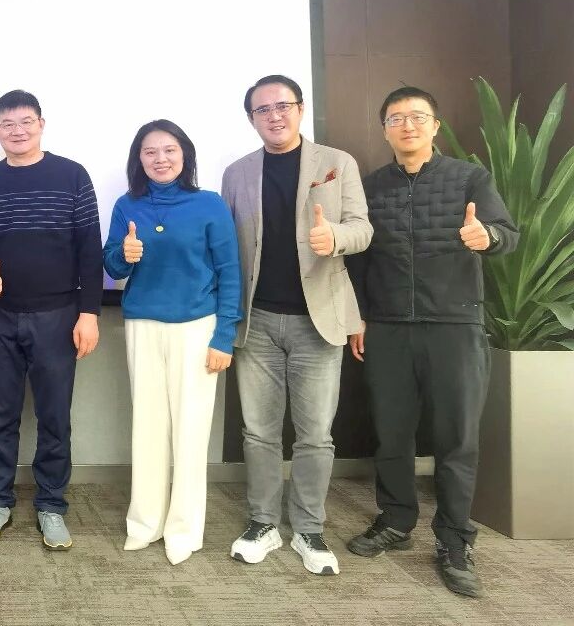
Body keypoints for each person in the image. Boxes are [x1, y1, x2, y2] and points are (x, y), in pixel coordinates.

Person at [345, 86, 518, 599]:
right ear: (384, 130)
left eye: (418, 117)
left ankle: (455, 540)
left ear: (435, 126)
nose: (408, 126)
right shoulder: (370, 186)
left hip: (455, 326)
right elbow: (360, 259)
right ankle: (396, 520)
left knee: (456, 438)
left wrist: (487, 237)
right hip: (388, 327)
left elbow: (506, 233)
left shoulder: (469, 178)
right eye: (396, 118)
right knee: (391, 434)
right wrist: (360, 318)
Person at [220, 74, 372, 576]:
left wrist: (337, 238)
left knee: (315, 436)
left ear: (300, 109)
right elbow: (226, 246)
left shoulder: (337, 163)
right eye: (262, 109)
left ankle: (308, 528)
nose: (274, 115)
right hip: (257, 321)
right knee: (259, 433)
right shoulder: (237, 173)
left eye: (282, 105)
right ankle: (263, 523)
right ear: (252, 119)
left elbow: (363, 228)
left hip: (318, 320)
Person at [0, 89, 101, 551]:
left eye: (26, 121)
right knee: (0, 413)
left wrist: (89, 313)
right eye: (8, 124)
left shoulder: (72, 175)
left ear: (41, 124)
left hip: (58, 316)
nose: (17, 130)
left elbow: (89, 248)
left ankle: (51, 505)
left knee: (54, 414)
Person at [103, 119, 240, 565]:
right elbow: (113, 267)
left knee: (190, 430)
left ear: (185, 156)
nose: (160, 159)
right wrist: (124, 256)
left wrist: (224, 336)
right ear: (138, 160)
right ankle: (145, 523)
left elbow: (230, 273)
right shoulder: (127, 205)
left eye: (169, 150)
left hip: (197, 327)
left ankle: (183, 530)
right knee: (147, 427)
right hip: (143, 325)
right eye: (150, 152)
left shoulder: (209, 204)